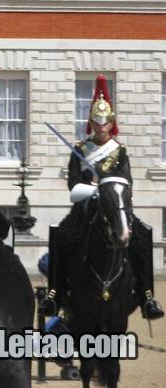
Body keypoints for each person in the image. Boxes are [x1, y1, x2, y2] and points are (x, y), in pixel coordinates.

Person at [40, 76, 164, 319]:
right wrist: (98, 191)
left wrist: (109, 192)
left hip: (116, 207)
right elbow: (74, 187)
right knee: (60, 234)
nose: (101, 126)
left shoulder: (119, 152)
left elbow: (126, 184)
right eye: (97, 121)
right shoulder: (79, 150)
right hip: (86, 210)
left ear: (111, 123)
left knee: (142, 235)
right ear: (90, 123)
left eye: (105, 121)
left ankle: (147, 296)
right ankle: (54, 294)